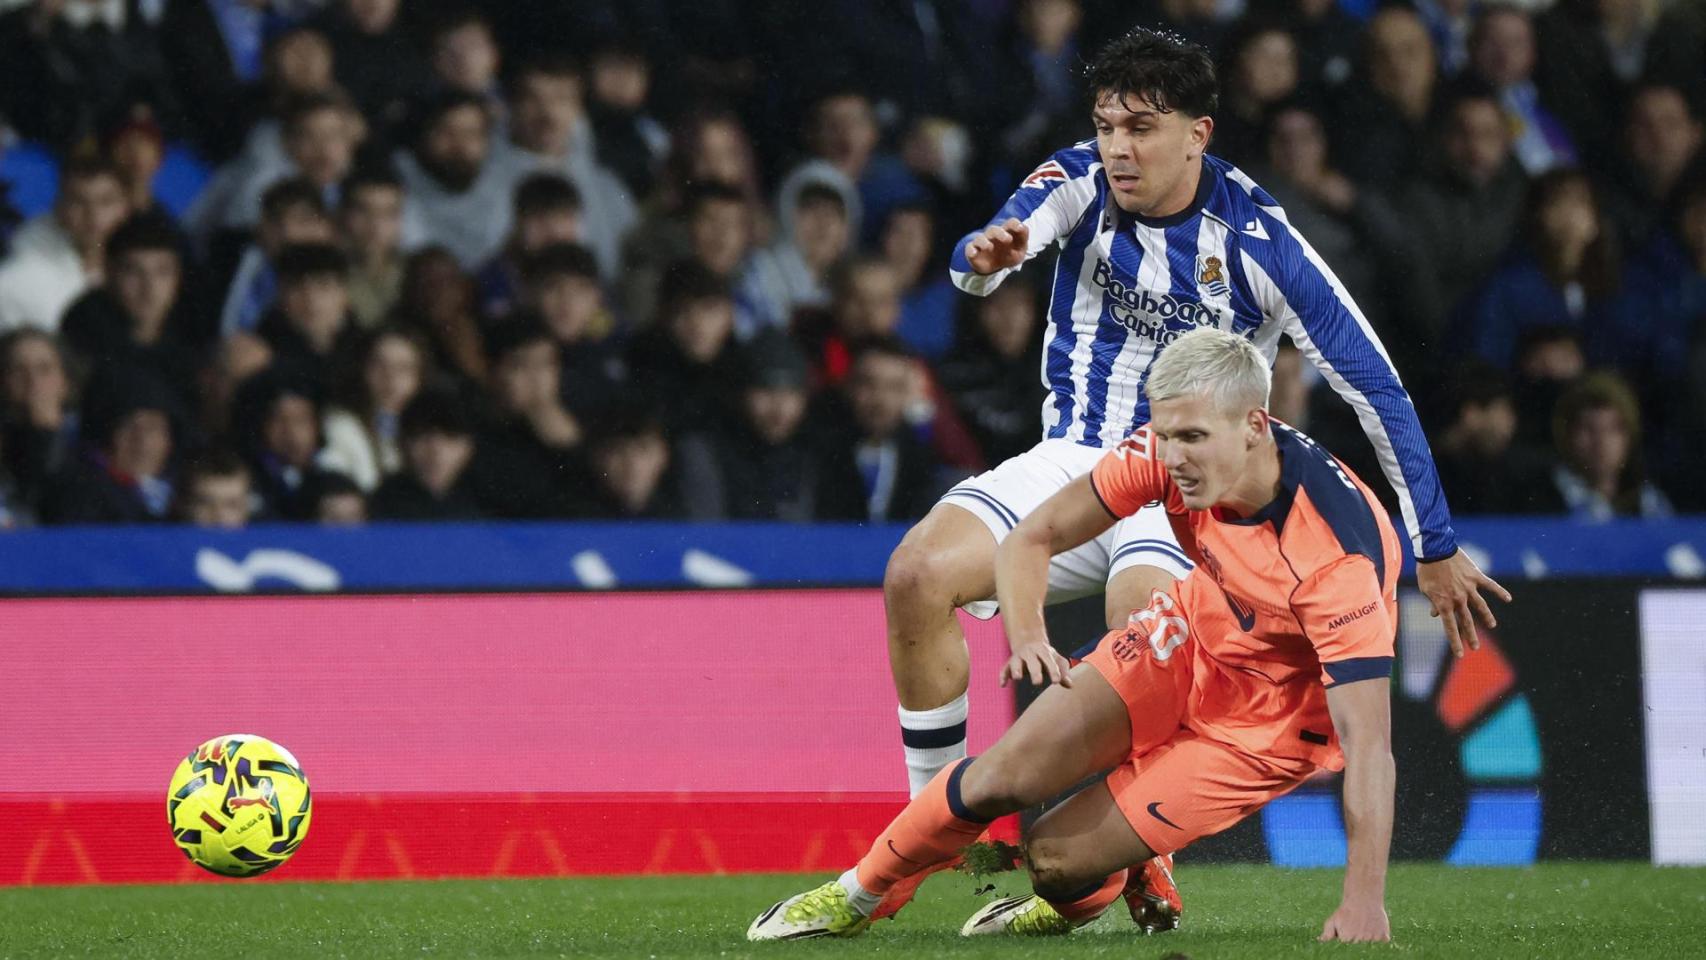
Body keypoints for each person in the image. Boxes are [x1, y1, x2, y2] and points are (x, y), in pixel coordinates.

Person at [878, 27, 1502, 928]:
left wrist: (1435, 543)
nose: (1119, 148)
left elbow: (1377, 388)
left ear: (1197, 134)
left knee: (1143, 626)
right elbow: (998, 243)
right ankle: (924, 832)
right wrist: (988, 256)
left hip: (1184, 480)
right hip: (1075, 453)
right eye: (1106, 126)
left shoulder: (1264, 243)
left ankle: (1142, 854)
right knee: (915, 575)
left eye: (1140, 127)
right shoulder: (1077, 180)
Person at [749, 328, 1509, 944]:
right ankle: (857, 895)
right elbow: (1032, 537)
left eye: (1192, 439)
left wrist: (1365, 901)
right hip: (1189, 637)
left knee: (1052, 860)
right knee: (1000, 777)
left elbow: (1370, 749)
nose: (1174, 459)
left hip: (1266, 727)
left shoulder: (1333, 559)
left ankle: (1092, 886)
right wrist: (1029, 631)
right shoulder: (1168, 451)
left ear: (1254, 428)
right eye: (1166, 435)